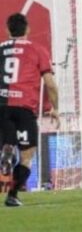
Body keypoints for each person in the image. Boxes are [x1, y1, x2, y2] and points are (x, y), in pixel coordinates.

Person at [0, 13, 59, 207]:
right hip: (24, 109)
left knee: (7, 142)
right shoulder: (37, 50)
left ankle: (7, 148)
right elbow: (50, 84)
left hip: (2, 107)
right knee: (26, 156)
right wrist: (55, 108)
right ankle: (12, 195)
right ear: (28, 29)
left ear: (8, 30)